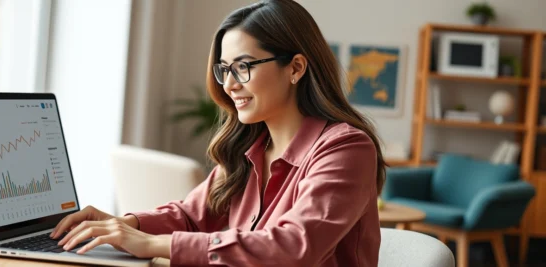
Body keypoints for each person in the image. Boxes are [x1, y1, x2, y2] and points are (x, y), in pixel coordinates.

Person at [50, 0, 386, 266]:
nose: (229, 84)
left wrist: (151, 244)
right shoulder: (250, 148)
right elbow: (190, 216)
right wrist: (124, 226)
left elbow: (294, 248)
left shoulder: (346, 149)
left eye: (243, 66)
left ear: (295, 68)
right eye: (224, 69)